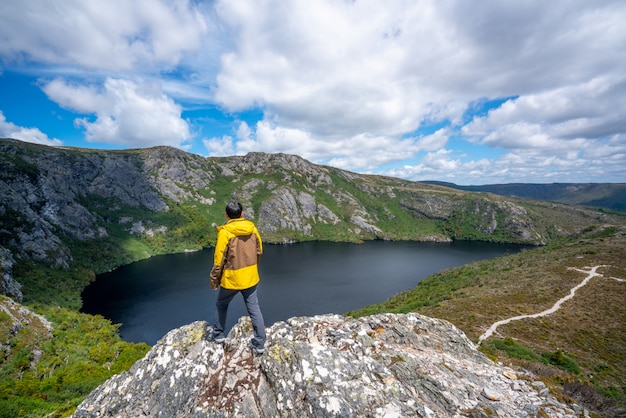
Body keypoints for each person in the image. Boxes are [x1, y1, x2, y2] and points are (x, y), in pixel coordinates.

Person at [209, 201, 266, 354]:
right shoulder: (252, 229)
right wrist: (254, 268)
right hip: (250, 276)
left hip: (231, 279)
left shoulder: (225, 232)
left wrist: (214, 280)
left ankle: (218, 335)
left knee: (221, 304)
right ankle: (260, 343)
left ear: (226, 215)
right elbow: (259, 250)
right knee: (254, 307)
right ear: (242, 213)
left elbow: (218, 259)